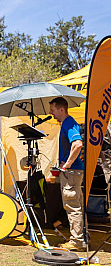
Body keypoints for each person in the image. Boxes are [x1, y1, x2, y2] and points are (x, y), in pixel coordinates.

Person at [49, 97, 85, 250]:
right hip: (73, 171)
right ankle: (80, 238)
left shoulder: (69, 123)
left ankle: (76, 241)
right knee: (76, 205)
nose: (51, 113)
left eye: (53, 110)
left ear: (61, 109)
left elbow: (77, 144)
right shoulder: (67, 123)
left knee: (72, 206)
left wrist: (67, 164)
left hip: (71, 172)